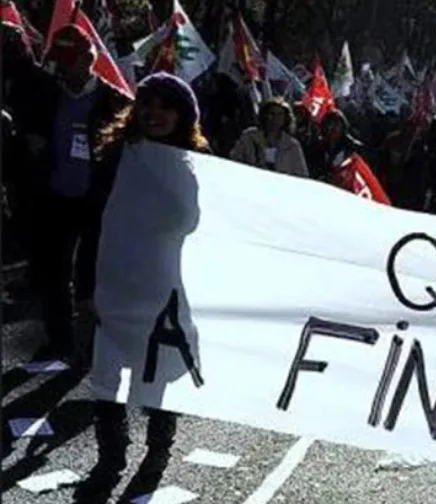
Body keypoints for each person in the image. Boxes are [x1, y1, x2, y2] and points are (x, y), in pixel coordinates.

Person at [88, 72, 211, 475]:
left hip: (163, 285)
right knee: (105, 374)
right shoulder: (115, 158)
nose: (154, 112)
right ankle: (110, 456)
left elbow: (193, 223)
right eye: (147, 103)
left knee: (157, 369)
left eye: (165, 106)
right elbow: (92, 222)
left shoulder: (192, 166)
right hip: (114, 281)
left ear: (183, 116)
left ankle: (159, 449)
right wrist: (84, 286)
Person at [21, 24, 130, 366]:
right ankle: (60, 341)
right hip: (56, 197)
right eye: (59, 61)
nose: (63, 69)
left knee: (92, 275)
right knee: (54, 272)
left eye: (68, 61)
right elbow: (31, 131)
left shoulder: (115, 102)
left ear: (88, 59)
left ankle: (92, 342)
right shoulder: (47, 94)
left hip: (97, 201)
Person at [229, 97, 309, 177]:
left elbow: (301, 174)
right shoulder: (249, 137)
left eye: (280, 114)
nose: (275, 118)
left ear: (286, 118)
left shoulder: (292, 145)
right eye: (272, 114)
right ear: (264, 115)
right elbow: (234, 161)